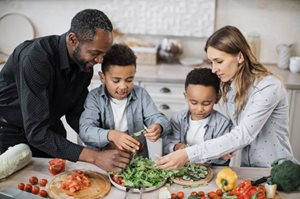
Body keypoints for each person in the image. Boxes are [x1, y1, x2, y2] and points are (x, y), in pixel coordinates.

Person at [0, 9, 131, 172]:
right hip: (10, 134)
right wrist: (94, 157)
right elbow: (36, 132)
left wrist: (103, 142)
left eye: (104, 53)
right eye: (95, 53)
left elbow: (76, 115)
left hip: (49, 129)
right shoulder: (35, 58)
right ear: (73, 39)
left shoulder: (84, 65)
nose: (100, 61)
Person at [155, 25, 295, 169]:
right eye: (212, 62)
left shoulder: (268, 87)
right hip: (248, 168)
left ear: (240, 56)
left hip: (276, 169)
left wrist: (187, 154)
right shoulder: (232, 87)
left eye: (219, 61)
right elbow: (236, 135)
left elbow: (242, 135)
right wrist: (223, 151)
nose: (214, 69)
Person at [79, 43, 170, 157]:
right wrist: (112, 135)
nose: (123, 86)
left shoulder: (141, 94)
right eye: (116, 80)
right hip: (105, 160)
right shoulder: (95, 97)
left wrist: (158, 127)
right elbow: (85, 131)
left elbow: (158, 118)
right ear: (103, 77)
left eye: (129, 80)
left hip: (137, 160)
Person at [163, 67, 232, 166]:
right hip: (183, 170)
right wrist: (176, 147)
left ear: (217, 98)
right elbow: (168, 145)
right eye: (194, 103)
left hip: (212, 171)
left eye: (206, 103)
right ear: (186, 97)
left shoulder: (223, 124)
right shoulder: (177, 119)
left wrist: (222, 155)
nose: (199, 109)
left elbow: (221, 158)